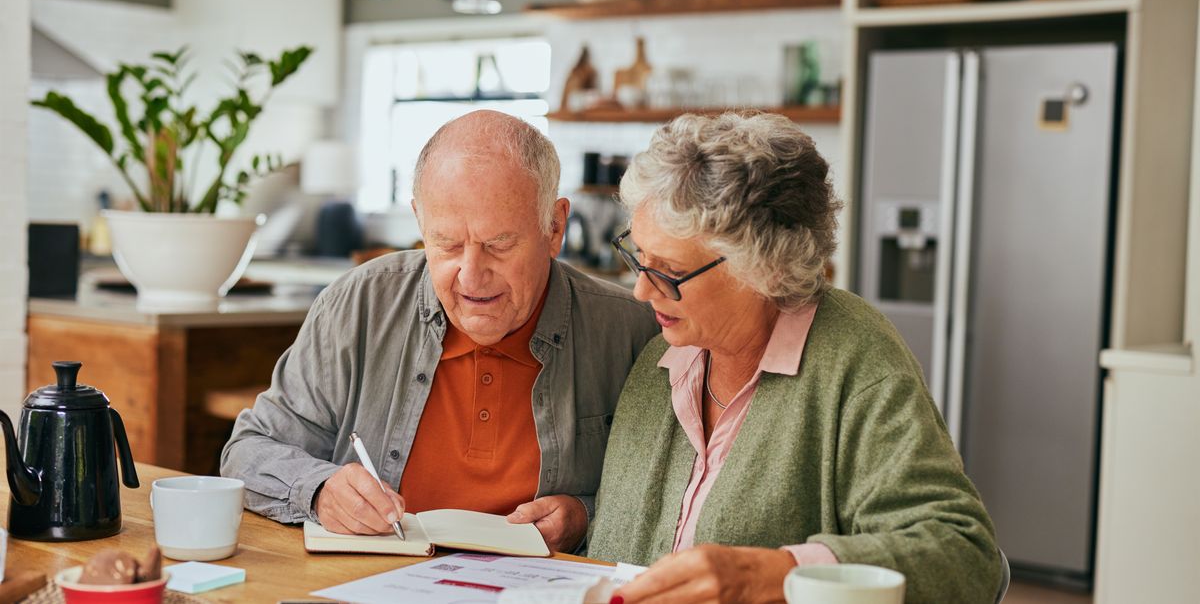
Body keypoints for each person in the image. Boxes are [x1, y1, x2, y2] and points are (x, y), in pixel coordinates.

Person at [587, 112, 1002, 603]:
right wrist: (581, 515)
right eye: (638, 257)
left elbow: (963, 554)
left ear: (764, 268)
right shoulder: (664, 354)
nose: (639, 290)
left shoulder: (856, 360)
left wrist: (780, 576)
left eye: (670, 271)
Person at [221, 110, 658, 552]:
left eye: (499, 244)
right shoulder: (359, 304)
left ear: (555, 227)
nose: (471, 276)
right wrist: (319, 489)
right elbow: (248, 452)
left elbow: (675, 505)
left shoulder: (631, 331)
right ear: (419, 222)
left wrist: (587, 514)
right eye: (447, 243)